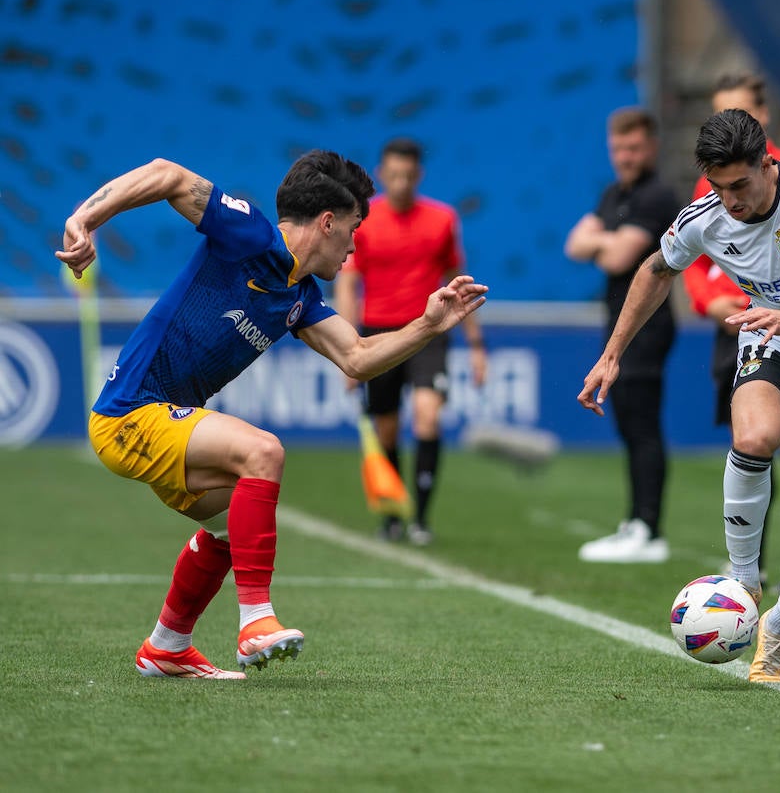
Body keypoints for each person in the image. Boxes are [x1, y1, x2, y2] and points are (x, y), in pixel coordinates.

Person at [56, 153, 487, 679]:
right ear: (327, 222)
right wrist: (84, 220)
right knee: (263, 451)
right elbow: (167, 174)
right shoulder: (249, 234)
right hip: (131, 413)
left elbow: (357, 357)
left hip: (159, 423)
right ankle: (256, 619)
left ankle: (167, 645)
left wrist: (427, 325)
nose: (354, 246)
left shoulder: (301, 296)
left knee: (234, 529)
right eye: (352, 229)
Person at [579, 109, 780, 682]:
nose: (731, 200)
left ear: (768, 164)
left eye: (741, 185)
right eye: (719, 187)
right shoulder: (706, 216)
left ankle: (779, 628)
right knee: (752, 438)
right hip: (774, 345)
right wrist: (613, 352)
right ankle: (744, 583)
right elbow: (655, 269)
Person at [681, 73, 780, 585]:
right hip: (735, 327)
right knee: (753, 441)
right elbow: (688, 258)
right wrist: (711, 303)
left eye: (740, 112)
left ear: (764, 115)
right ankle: (750, 561)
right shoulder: (708, 182)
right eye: (718, 114)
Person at [333, 137, 487, 545]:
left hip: (428, 331)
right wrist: (347, 346)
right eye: (393, 175)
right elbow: (348, 283)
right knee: (386, 430)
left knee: (427, 416)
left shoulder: (442, 219)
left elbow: (459, 281)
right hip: (377, 334)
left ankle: (420, 517)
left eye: (408, 176)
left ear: (418, 176)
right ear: (381, 174)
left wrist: (476, 347)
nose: (400, 183)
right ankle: (393, 516)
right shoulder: (363, 219)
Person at [565, 107, 679, 563]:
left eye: (633, 148)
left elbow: (617, 259)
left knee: (642, 424)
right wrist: (607, 240)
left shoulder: (656, 196)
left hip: (648, 326)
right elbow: (575, 244)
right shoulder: (614, 193)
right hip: (617, 326)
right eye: (618, 148)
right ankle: (637, 523)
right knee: (629, 423)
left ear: (650, 146)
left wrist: (604, 241)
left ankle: (648, 529)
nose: (625, 157)